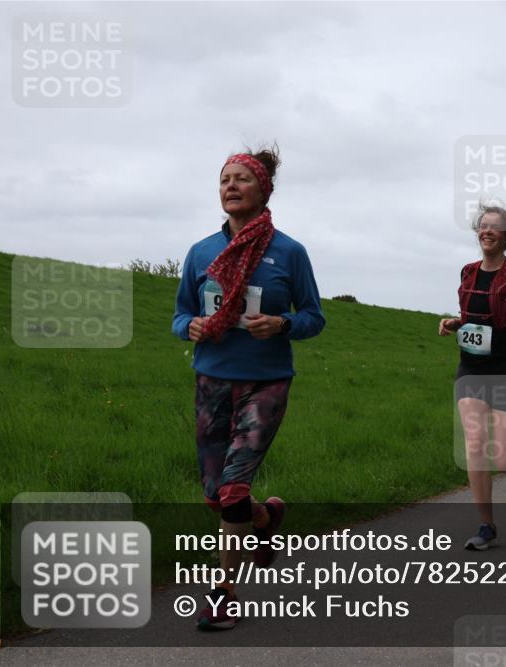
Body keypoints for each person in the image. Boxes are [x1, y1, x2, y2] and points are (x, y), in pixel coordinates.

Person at [173, 145, 326, 630]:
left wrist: (281, 324)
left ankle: (223, 594)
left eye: (241, 179)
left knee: (234, 487)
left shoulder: (289, 253)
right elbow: (179, 313)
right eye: (224, 180)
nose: (231, 187)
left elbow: (313, 318)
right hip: (212, 379)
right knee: (217, 495)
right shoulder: (201, 252)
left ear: (264, 190)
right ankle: (265, 520)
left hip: (266, 382)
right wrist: (190, 327)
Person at [438, 205, 506, 550]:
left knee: (501, 457)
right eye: (483, 226)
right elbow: (473, 315)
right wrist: (456, 323)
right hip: (471, 367)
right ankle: (486, 525)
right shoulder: (468, 272)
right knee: (474, 444)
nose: (487, 231)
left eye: (495, 227)